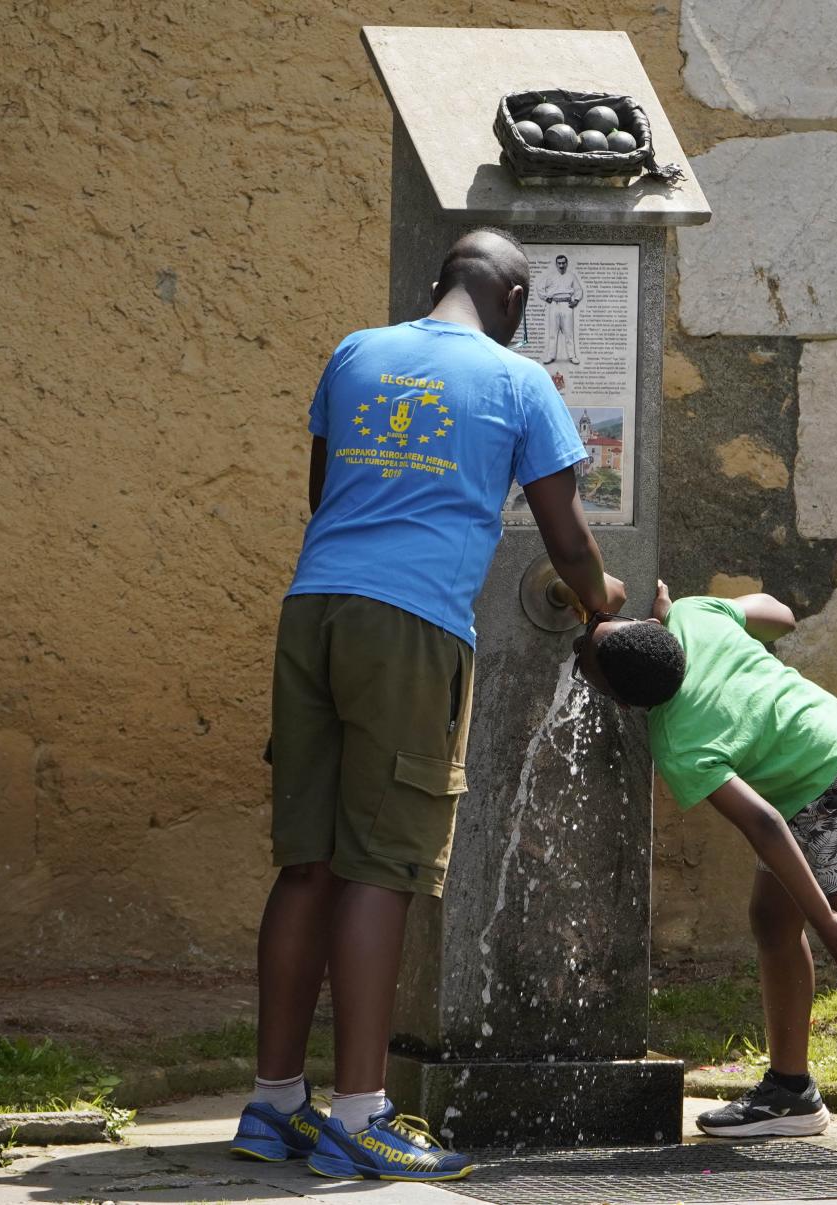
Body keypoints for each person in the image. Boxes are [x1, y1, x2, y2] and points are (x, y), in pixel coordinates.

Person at [229, 228, 625, 1182]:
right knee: (383, 864)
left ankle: (274, 1103)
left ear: (436, 282)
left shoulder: (356, 352)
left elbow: (325, 494)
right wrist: (602, 603)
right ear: (517, 303)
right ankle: (361, 1117)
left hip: (313, 609)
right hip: (410, 625)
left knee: (308, 863)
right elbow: (568, 539)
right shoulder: (520, 381)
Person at [569, 581, 837, 1176]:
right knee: (770, 920)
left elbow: (762, 825)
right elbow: (780, 615)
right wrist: (707, 620)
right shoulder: (693, 616)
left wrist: (827, 921)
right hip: (799, 777)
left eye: (586, 644)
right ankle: (791, 1092)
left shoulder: (677, 743)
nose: (581, 640)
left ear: (626, 705)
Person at [535, 253, 584, 364]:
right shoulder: (550, 276)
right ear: (556, 264)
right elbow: (539, 287)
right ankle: (551, 356)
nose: (561, 265)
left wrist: (576, 300)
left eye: (563, 263)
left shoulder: (571, 276)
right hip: (554, 305)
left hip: (567, 305)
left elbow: (578, 290)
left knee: (569, 333)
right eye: (559, 263)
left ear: (566, 263)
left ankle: (572, 356)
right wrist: (545, 297)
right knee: (553, 332)